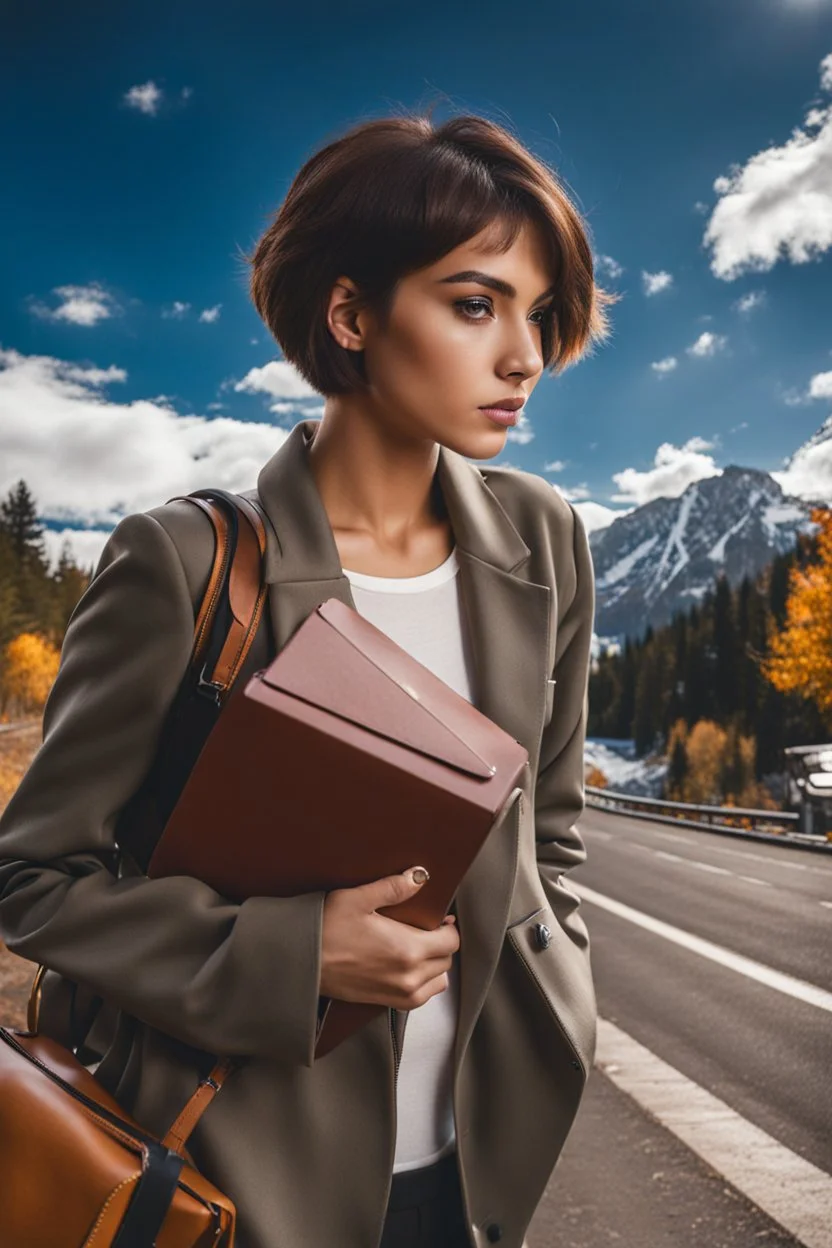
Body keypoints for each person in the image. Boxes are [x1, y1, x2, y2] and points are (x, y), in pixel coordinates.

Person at [0, 109, 616, 1248]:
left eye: (538, 314)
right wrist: (292, 955)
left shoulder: (544, 539)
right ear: (351, 314)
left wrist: (556, 986)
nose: (524, 355)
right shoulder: (184, 562)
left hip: (479, 1156)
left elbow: (554, 832)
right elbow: (32, 878)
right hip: (244, 1171)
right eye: (476, 304)